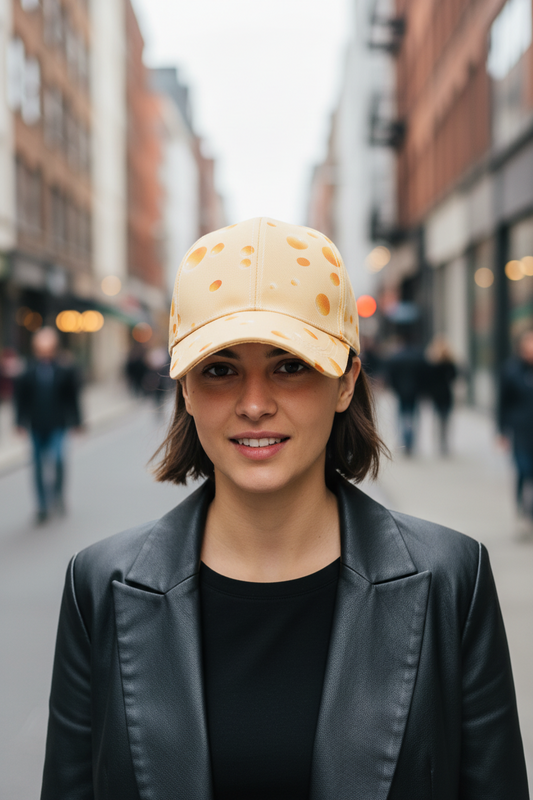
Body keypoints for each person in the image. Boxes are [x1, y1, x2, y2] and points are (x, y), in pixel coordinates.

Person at [41, 219, 528, 800]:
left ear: (345, 382)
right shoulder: (100, 587)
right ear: (186, 390)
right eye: (220, 369)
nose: (254, 404)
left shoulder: (453, 580)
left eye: (290, 365)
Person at [15, 327, 82, 523]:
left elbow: (72, 397)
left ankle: (58, 495)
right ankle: (42, 505)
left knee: (59, 459)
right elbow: (21, 399)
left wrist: (77, 420)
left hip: (58, 425)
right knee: (37, 465)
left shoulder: (64, 369)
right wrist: (19, 422)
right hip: (36, 425)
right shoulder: (28, 370)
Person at [498, 328, 533, 525]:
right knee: (523, 470)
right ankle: (521, 507)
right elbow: (502, 403)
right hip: (519, 431)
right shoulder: (511, 370)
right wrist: (501, 431)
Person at [385, 337, 426, 455]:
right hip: (414, 392)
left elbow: (391, 375)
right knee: (412, 417)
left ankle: (404, 441)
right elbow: (424, 375)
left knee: (402, 416)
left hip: (401, 392)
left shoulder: (397, 358)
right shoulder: (418, 357)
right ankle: (411, 442)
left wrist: (394, 388)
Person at [426, 335, 458, 455]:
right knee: (445, 419)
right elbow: (454, 377)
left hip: (437, 395)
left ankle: (440, 442)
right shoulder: (449, 364)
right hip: (445, 395)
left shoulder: (433, 364)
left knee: (439, 419)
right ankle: (444, 442)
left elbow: (428, 380)